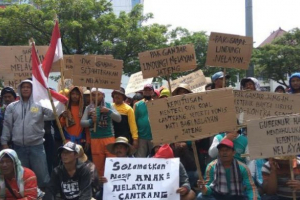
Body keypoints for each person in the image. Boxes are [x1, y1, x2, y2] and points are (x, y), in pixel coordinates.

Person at [1, 80, 52, 189]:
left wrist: (46, 98)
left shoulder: (40, 104)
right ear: (19, 89)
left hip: (36, 147)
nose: (25, 89)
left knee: (42, 178)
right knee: (21, 177)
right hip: (18, 148)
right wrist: (4, 143)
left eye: (28, 87)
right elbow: (7, 126)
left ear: (33, 90)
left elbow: (53, 114)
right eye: (23, 87)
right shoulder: (12, 107)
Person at [80, 88, 121, 176]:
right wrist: (91, 121)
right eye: (93, 95)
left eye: (98, 95)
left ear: (102, 95)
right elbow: (82, 123)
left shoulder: (109, 106)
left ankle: (113, 183)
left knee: (112, 162)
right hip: (95, 139)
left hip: (109, 137)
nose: (96, 97)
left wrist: (109, 112)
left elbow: (118, 118)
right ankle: (100, 185)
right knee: (98, 166)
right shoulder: (88, 108)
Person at [133, 84, 154, 157]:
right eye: (146, 90)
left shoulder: (157, 103)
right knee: (140, 159)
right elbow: (134, 122)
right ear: (143, 92)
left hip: (154, 137)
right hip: (141, 137)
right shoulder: (137, 105)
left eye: (149, 90)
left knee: (155, 158)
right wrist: (135, 138)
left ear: (153, 92)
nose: (147, 92)